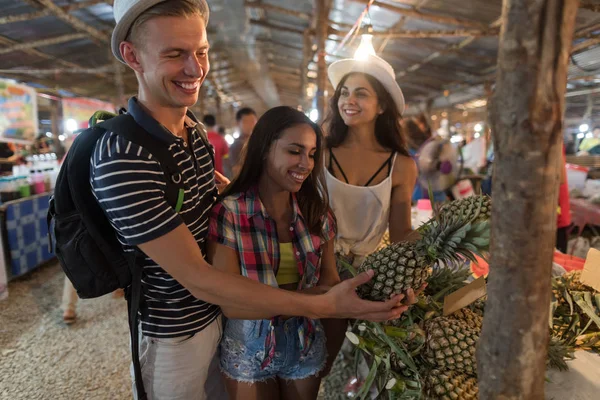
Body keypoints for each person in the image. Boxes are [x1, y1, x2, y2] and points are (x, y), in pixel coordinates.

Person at [100, 2, 409, 399]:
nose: (195, 69)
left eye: (202, 52)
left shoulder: (192, 133)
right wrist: (325, 306)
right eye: (175, 54)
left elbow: (221, 199)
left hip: (221, 328)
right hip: (175, 336)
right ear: (132, 56)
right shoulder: (123, 154)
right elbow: (202, 279)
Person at [208, 106, 339, 399]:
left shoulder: (317, 212)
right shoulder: (230, 212)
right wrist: (318, 302)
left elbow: (330, 280)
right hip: (248, 344)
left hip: (305, 340)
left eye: (312, 153)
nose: (306, 163)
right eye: (295, 151)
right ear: (266, 148)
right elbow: (229, 303)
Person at [322, 54, 421, 373]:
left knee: (350, 371)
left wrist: (428, 252)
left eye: (361, 93)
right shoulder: (320, 152)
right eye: (344, 92)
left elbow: (402, 234)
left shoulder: (401, 166)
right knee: (317, 365)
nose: (349, 100)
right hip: (316, 274)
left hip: (367, 281)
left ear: (381, 106)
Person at [229, 107, 258, 177]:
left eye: (252, 121)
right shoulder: (236, 146)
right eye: (246, 122)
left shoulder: (259, 141)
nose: (250, 125)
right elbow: (237, 173)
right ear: (238, 123)